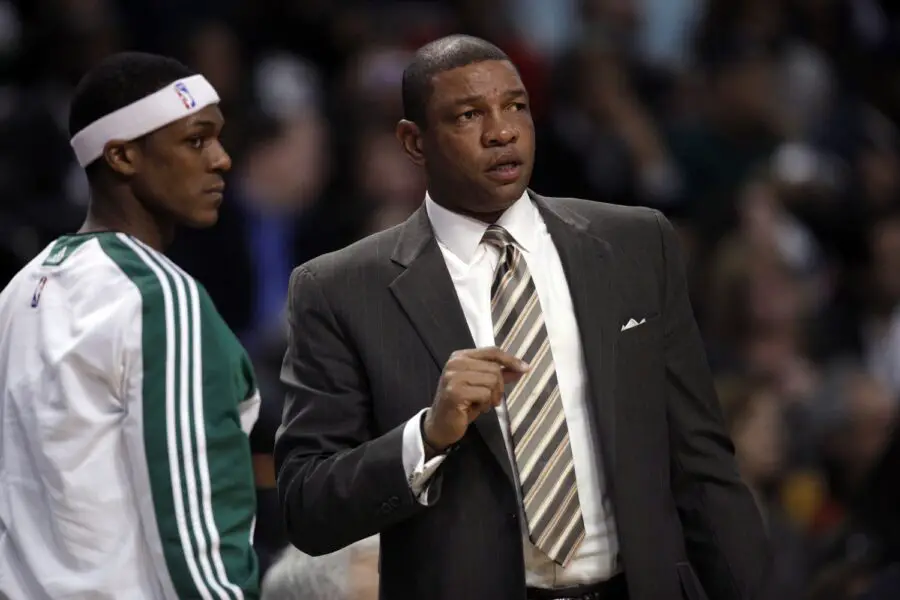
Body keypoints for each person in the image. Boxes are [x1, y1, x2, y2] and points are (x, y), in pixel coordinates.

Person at [275, 35, 770, 600]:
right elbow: (306, 508)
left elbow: (704, 465)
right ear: (414, 142)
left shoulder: (635, 243)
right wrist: (426, 437)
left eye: (516, 106)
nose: (502, 131)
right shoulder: (340, 289)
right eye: (469, 115)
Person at [0, 52, 260, 599]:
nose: (222, 160)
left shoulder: (20, 290)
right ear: (121, 156)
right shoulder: (160, 297)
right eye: (196, 140)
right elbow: (196, 519)